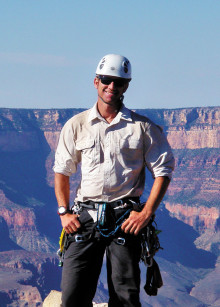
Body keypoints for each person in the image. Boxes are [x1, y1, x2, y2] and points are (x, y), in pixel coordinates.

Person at [53, 54, 175, 307]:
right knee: (73, 295)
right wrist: (64, 212)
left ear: (126, 86)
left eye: (118, 82)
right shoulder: (77, 125)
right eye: (107, 80)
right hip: (84, 218)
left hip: (125, 218)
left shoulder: (142, 127)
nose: (112, 87)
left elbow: (163, 171)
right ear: (96, 81)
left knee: (125, 297)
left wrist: (146, 213)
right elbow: (62, 171)